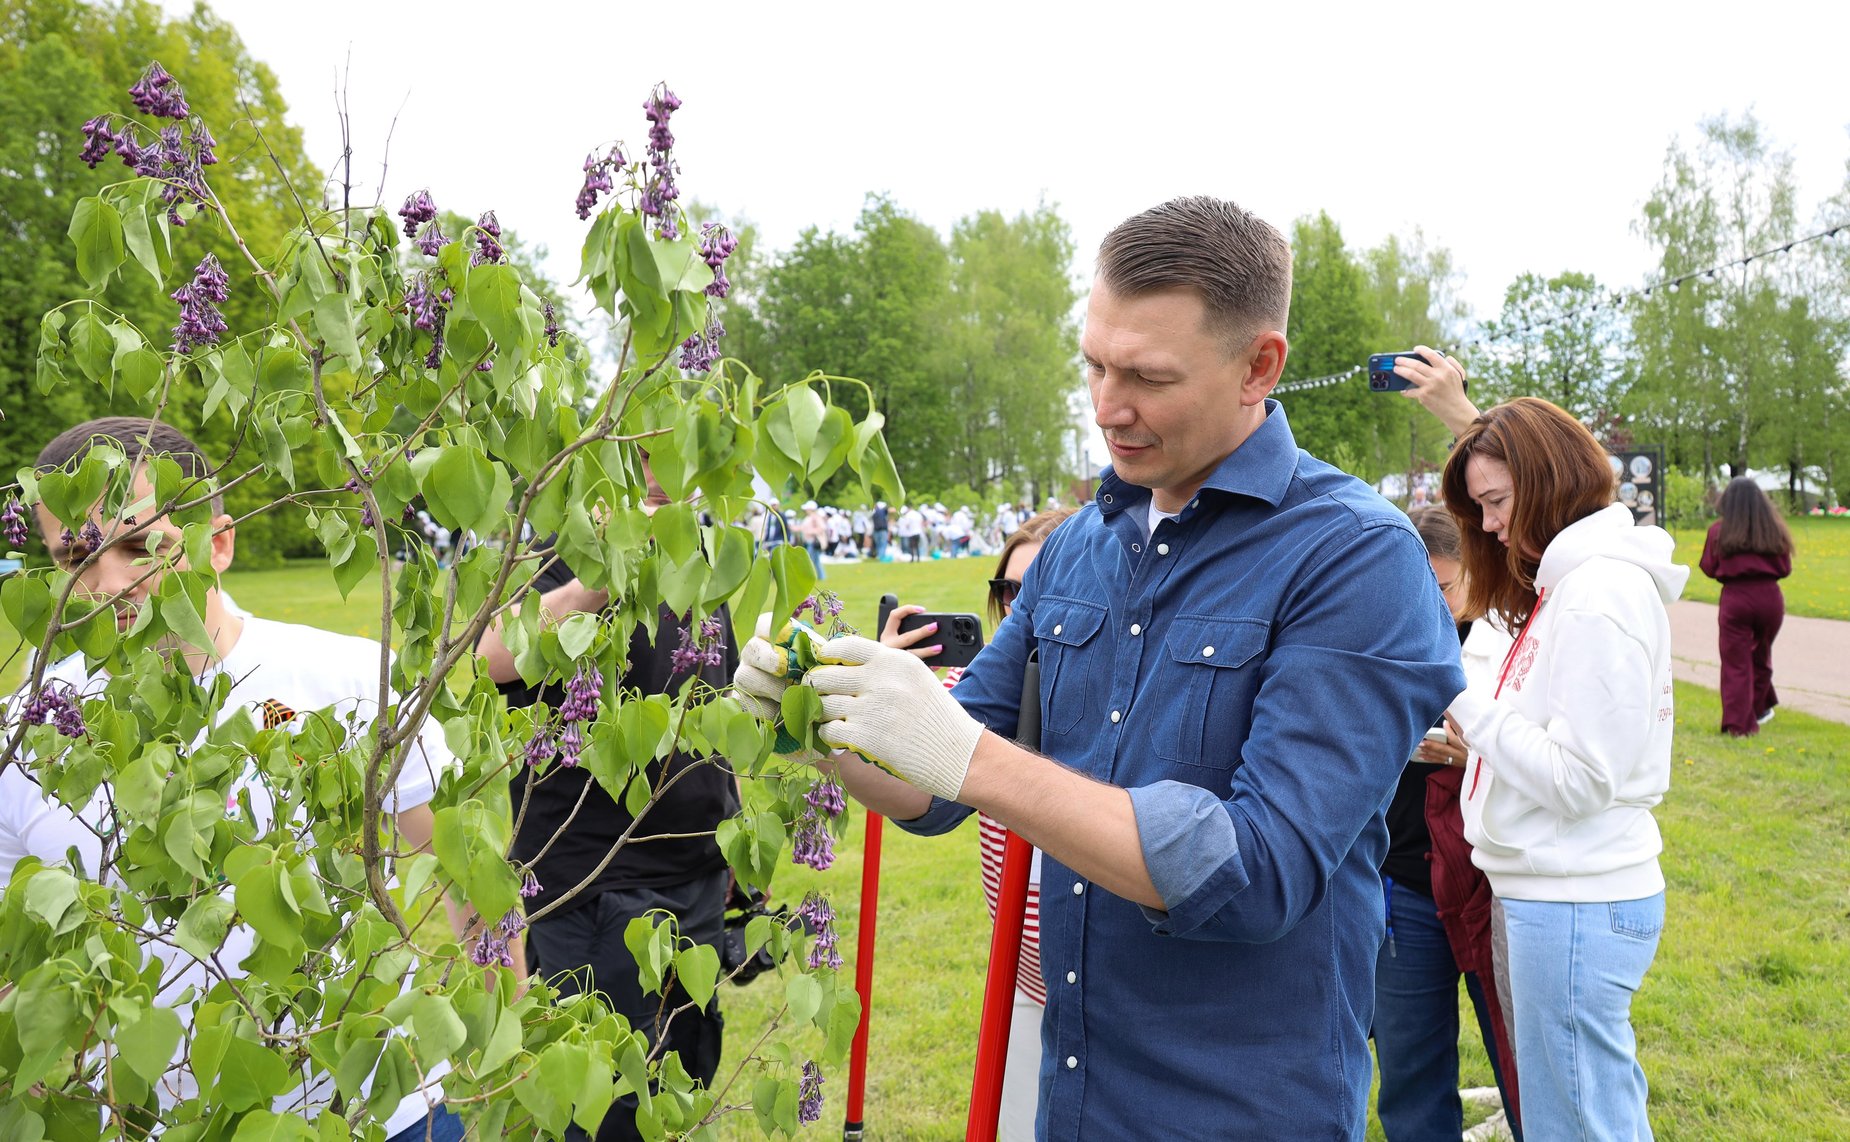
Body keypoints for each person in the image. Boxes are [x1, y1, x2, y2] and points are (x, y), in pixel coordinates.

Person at [735, 196, 1464, 1138]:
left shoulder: (1355, 557)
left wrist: (968, 756)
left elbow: (1262, 869)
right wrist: (823, 719)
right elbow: (939, 794)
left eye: (1149, 377)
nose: (1108, 407)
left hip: (1239, 1107)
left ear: (1260, 366)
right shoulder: (1083, 543)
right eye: (1094, 364)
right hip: (1075, 1087)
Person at [0, 417, 467, 1142]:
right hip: (146, 1122)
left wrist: (514, 1059)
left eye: (137, 543)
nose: (109, 581)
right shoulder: (23, 734)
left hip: (379, 1113)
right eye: (76, 555)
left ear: (217, 542)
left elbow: (466, 875)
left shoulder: (346, 683)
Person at [1441, 397, 1687, 1141]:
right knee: (1570, 1117)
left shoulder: (1597, 596)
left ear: (1546, 480)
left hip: (1574, 898)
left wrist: (1461, 703)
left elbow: (1582, 779)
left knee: (1581, 1124)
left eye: (1496, 502)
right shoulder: (1573, 586)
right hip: (1554, 894)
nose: (1488, 525)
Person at [475, 463, 740, 1142]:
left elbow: (713, 696)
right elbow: (486, 656)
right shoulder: (558, 537)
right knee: (603, 1107)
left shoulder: (702, 548)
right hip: (598, 884)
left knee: (681, 1083)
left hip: (695, 875)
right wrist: (596, 583)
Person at [881, 506, 1074, 1142]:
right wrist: (871, 695)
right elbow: (921, 796)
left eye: (1038, 590)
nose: (1023, 609)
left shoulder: (1111, 707)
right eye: (1007, 592)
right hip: (1021, 988)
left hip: (1106, 998)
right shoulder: (975, 697)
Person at [1374, 506, 1523, 1142]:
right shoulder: (1376, 637)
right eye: (1414, 585)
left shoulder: (1512, 646)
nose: (1428, 603)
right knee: (1410, 1070)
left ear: (1473, 573)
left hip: (1493, 886)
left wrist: (1482, 755)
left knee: (1521, 1060)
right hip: (1403, 881)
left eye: (1441, 586)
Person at [1699, 478, 1793, 736]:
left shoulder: (1719, 532)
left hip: (1736, 599)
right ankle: (1759, 709)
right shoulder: (1773, 529)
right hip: (1770, 599)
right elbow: (1786, 567)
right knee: (1761, 656)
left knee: (1735, 662)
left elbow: (1708, 566)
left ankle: (1739, 725)